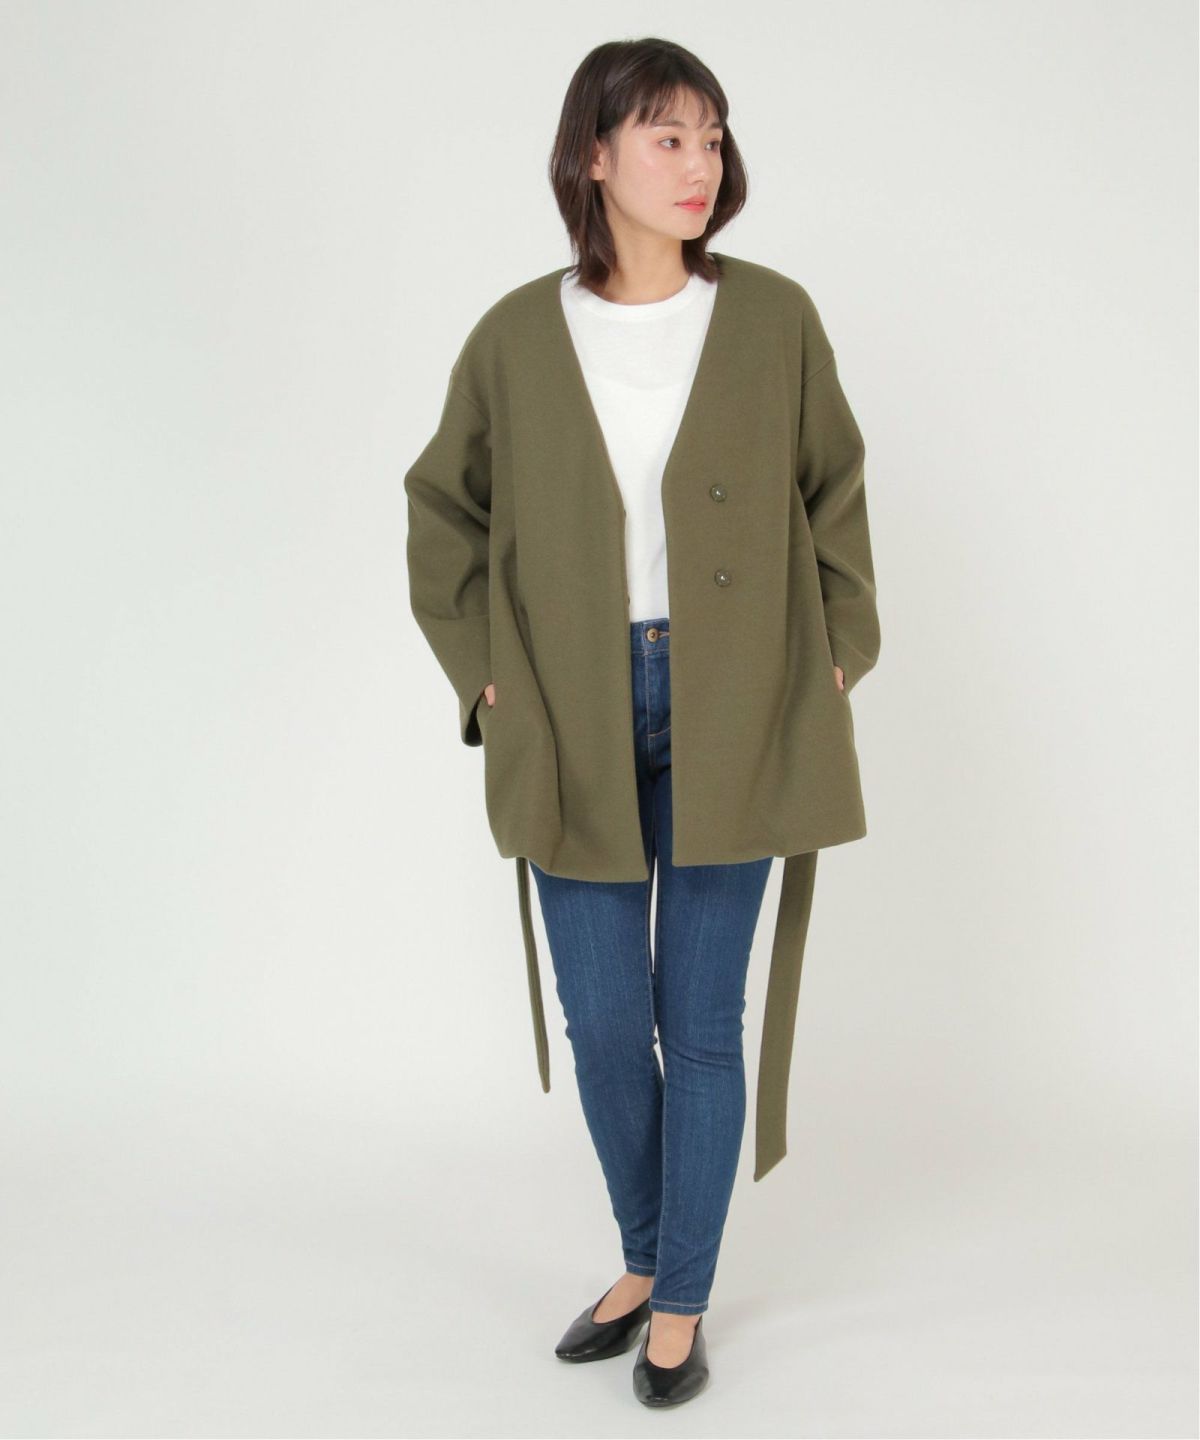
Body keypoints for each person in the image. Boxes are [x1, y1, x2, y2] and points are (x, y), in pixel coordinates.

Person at [404, 37, 880, 1410]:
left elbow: (836, 492)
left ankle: (677, 1300)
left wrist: (833, 656)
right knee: (608, 1025)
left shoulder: (773, 317)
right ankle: (642, 1251)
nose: (698, 163)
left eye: (712, 137)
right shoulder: (516, 335)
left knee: (702, 1023)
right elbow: (444, 511)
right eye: (667, 136)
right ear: (594, 154)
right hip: (571, 710)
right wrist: (486, 675)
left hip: (739, 703)